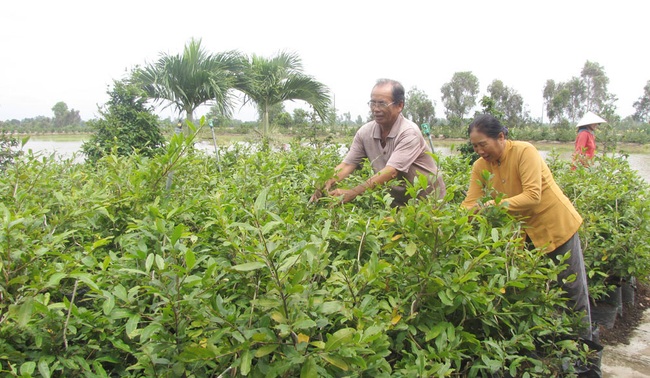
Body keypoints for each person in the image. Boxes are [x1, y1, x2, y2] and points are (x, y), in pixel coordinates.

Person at [461, 114, 594, 344]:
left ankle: (587, 356)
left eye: (483, 144)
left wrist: (489, 206)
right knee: (532, 293)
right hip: (522, 237)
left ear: (500, 137)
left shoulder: (524, 152)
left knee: (572, 291)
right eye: (474, 146)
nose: (479, 151)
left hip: (555, 227)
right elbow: (470, 203)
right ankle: (554, 348)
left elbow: (533, 196)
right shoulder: (480, 166)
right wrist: (453, 220)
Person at [310, 78, 445, 206]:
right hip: (395, 202)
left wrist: (351, 193)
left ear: (400, 105)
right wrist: (325, 181)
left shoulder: (409, 132)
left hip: (427, 202)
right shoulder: (365, 132)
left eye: (382, 103)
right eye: (373, 103)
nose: (375, 109)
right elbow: (347, 165)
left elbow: (391, 172)